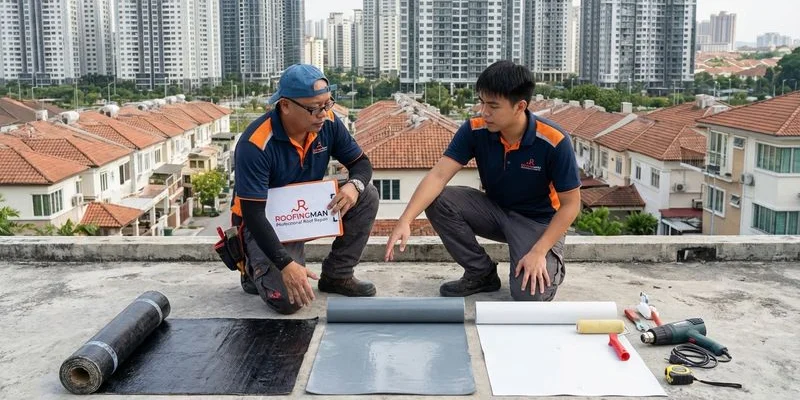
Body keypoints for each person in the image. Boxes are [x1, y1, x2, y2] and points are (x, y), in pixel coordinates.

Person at [385, 60, 581, 301]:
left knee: (530, 296)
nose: (483, 112)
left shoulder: (554, 141)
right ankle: (481, 273)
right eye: (482, 102)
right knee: (439, 200)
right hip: (495, 211)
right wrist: (406, 219)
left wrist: (539, 251)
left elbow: (571, 205)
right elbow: (438, 176)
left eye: (493, 106)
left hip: (538, 222)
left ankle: (551, 263)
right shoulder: (475, 130)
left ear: (520, 106)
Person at [231, 64, 379, 314]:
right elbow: (254, 215)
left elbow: (361, 164)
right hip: (267, 223)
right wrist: (286, 265)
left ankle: (337, 275)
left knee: (367, 194)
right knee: (290, 302)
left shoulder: (328, 123)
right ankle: (254, 270)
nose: (322, 113)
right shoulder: (255, 144)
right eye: (313, 108)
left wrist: (354, 185)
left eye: (327, 104)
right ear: (285, 105)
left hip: (307, 211)